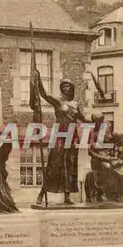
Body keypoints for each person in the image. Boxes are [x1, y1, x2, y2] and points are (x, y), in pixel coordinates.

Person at [34, 73, 89, 206]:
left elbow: (83, 119)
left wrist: (97, 120)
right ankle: (42, 194)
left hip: (72, 135)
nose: (66, 88)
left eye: (68, 86)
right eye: (63, 86)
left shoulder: (75, 104)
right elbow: (44, 95)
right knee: (54, 164)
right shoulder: (58, 101)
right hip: (59, 133)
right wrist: (38, 80)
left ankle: (67, 195)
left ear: (72, 88)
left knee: (69, 165)